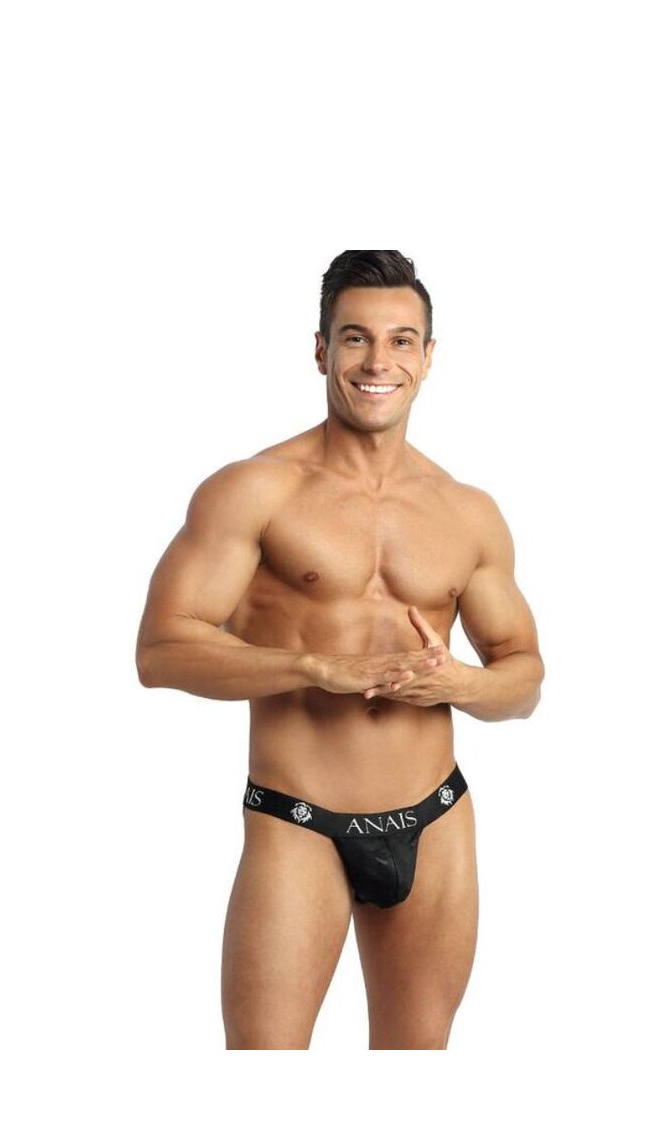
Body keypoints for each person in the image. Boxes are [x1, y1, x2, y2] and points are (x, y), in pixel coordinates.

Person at [136, 250, 543, 1050]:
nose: (377, 361)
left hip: (435, 817)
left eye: (400, 340)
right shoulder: (256, 490)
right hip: (299, 823)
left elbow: (523, 676)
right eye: (356, 338)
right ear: (322, 350)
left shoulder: (468, 512)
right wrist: (311, 668)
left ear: (428, 356)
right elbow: (160, 650)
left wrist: (460, 684)